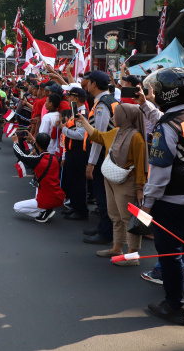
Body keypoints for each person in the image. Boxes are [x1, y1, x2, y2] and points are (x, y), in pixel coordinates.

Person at [140, 67, 184, 326]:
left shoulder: (166, 128)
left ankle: (175, 306)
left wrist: (146, 206)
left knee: (170, 254)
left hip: (171, 202)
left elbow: (158, 175)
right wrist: (146, 106)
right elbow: (171, 121)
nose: (153, 93)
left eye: (156, 91)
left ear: (169, 94)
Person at [78, 103, 148, 263]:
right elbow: (97, 136)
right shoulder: (117, 132)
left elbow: (140, 165)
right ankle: (117, 248)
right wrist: (83, 121)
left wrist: (140, 188)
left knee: (129, 218)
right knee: (115, 216)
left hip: (127, 182)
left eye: (116, 115)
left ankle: (132, 255)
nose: (113, 117)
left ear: (126, 117)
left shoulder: (136, 137)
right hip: (111, 179)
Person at [83, 70, 120, 246]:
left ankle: (106, 233)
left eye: (88, 81)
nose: (86, 84)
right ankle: (102, 227)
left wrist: (91, 163)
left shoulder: (102, 105)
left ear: (94, 84)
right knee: (103, 194)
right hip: (109, 153)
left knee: (103, 195)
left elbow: (99, 137)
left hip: (103, 156)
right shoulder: (109, 100)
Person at [13, 132, 66, 222]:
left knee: (16, 207)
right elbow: (41, 150)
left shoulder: (38, 161)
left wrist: (15, 142)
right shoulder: (54, 158)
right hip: (56, 194)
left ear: (37, 145)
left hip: (45, 197)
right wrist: (34, 140)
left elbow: (21, 156)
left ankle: (42, 213)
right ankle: (45, 210)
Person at [60, 87, 91, 220]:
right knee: (73, 180)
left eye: (70, 96)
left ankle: (81, 210)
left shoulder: (82, 113)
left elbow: (80, 135)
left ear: (76, 98)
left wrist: (63, 130)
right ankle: (74, 205)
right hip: (72, 150)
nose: (67, 98)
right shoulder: (76, 111)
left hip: (78, 151)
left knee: (78, 181)